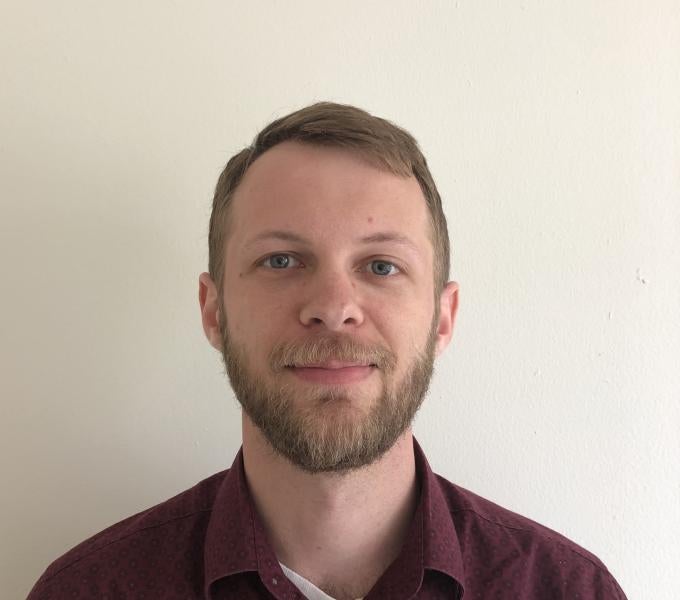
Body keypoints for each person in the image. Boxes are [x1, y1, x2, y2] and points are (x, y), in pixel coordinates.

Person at [28, 102, 627, 600]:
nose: (334, 305)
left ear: (443, 319)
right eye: (281, 260)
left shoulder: (564, 588)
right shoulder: (90, 590)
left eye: (381, 265)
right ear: (215, 310)